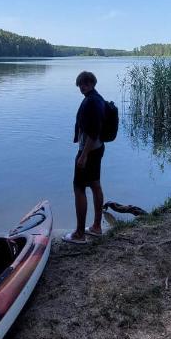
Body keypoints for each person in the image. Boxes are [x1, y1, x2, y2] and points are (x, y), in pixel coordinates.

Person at [63, 71, 106, 244]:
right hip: (98, 148)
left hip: (89, 150)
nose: (82, 87)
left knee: (79, 188)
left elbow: (93, 132)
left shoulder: (91, 102)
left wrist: (83, 155)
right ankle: (96, 227)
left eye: (85, 83)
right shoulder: (97, 98)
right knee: (95, 184)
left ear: (92, 83)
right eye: (80, 84)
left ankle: (80, 234)